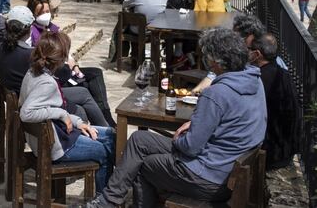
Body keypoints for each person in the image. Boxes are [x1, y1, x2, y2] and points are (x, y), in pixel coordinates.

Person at [87, 28, 267, 208]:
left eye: (208, 57)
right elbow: (228, 119)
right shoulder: (254, 81)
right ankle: (108, 202)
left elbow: (191, 148)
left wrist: (180, 138)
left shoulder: (216, 94)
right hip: (225, 164)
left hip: (209, 177)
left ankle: (109, 202)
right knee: (139, 140)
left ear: (217, 62)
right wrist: (194, 125)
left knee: (143, 165)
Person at [19, 32, 115, 193]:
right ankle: (103, 199)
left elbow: (51, 108)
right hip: (55, 145)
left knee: (111, 135)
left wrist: (78, 122)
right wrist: (62, 115)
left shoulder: (34, 72)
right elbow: (26, 113)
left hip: (56, 134)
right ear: (61, 59)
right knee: (103, 152)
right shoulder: (46, 82)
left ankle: (113, 188)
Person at [27, 0, 116, 127]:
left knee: (96, 73)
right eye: (41, 13)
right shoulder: (33, 33)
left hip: (65, 67)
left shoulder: (53, 28)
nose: (46, 15)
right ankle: (103, 125)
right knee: (86, 87)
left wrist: (74, 65)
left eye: (47, 11)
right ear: (34, 15)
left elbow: (65, 51)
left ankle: (106, 118)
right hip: (55, 72)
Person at [249, 34, 300, 169]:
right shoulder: (283, 74)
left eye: (248, 49)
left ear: (257, 54)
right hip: (286, 150)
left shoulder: (259, 79)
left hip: (269, 152)